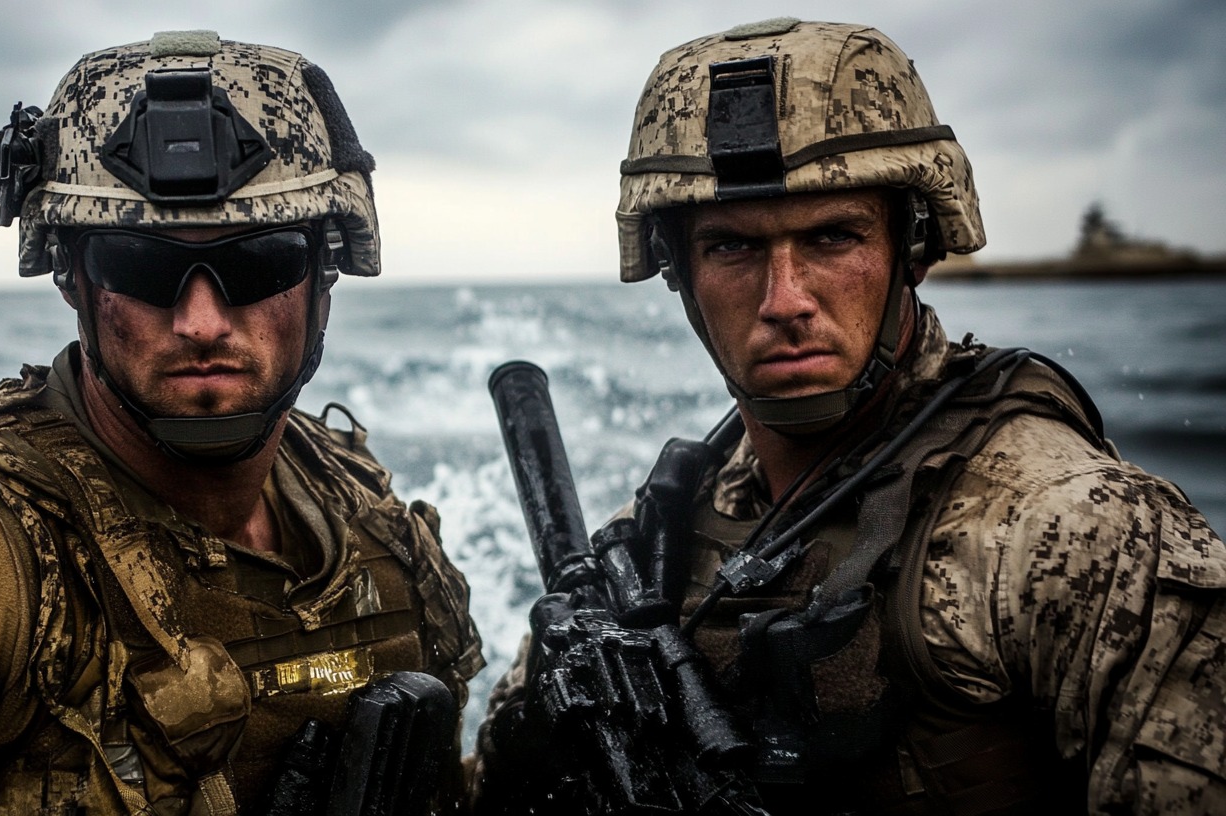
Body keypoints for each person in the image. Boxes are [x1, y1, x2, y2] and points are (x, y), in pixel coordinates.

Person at [471, 18, 1226, 815]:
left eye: (833, 236)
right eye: (732, 248)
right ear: (678, 270)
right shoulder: (652, 546)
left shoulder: (1075, 529)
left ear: (915, 246)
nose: (784, 300)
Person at [0, 30, 483, 815]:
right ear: (73, 277)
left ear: (324, 274)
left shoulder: (377, 530)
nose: (202, 321)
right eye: (144, 266)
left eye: (259, 261)